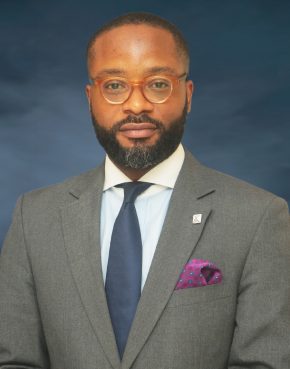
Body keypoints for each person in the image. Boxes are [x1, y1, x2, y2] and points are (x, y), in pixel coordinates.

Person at [0, 12, 289, 369]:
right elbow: (14, 361)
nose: (136, 105)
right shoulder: (35, 217)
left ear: (188, 94)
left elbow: (267, 363)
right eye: (115, 85)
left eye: (157, 83)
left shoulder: (257, 217)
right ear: (91, 98)